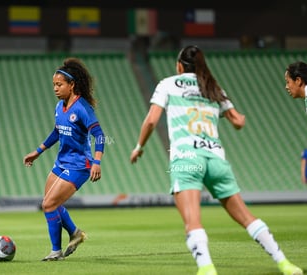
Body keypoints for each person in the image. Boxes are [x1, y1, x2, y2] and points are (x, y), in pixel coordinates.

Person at [130, 45, 303, 275]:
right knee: (247, 217)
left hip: (187, 158)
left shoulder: (168, 84)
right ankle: (285, 264)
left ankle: (207, 269)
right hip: (215, 157)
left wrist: (139, 147)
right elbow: (238, 122)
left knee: (193, 221)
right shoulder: (213, 88)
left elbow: (152, 121)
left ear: (180, 65)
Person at [23, 57, 105, 261]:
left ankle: (55, 251)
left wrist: (97, 162)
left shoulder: (83, 108)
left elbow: (100, 135)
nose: (55, 88)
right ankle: (75, 233)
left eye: (59, 84)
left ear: (72, 85)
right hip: (61, 162)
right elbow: (57, 132)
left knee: (49, 204)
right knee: (51, 204)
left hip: (79, 165)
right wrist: (38, 151)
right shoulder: (60, 107)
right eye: (54, 85)